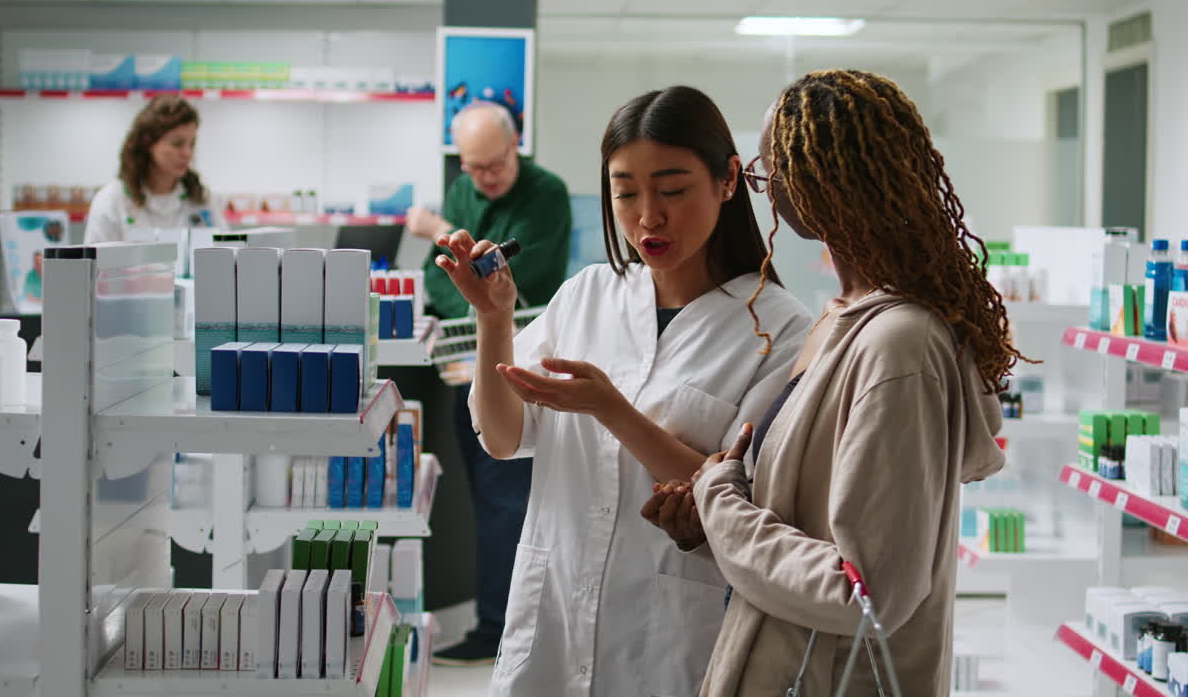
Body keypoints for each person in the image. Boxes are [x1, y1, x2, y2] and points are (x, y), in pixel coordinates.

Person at [642, 69, 1017, 696]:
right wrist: (708, 530)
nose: (760, 189)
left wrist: (721, 502)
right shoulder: (839, 320)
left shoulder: (899, 347)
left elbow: (863, 591)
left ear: (823, 179)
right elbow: (801, 525)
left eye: (770, 170)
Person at [433, 86, 811, 695]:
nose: (647, 216)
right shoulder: (588, 294)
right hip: (551, 622)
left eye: (672, 189)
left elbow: (743, 501)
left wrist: (610, 409)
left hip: (668, 640)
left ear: (728, 180)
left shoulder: (781, 330)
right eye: (625, 192)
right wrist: (493, 319)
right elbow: (502, 440)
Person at [406, 101, 573, 665]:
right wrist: (470, 282)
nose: (485, 178)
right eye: (474, 169)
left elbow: (514, 279)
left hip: (523, 364)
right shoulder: (462, 190)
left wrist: (437, 233)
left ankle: (504, 630)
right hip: (464, 364)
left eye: (495, 164)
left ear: (515, 144)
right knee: (487, 498)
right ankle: (495, 625)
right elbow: (451, 284)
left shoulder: (545, 193)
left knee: (509, 500)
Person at [83, 94, 215, 243]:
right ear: (148, 143)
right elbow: (93, 263)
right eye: (177, 144)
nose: (187, 153)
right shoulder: (112, 200)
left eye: (192, 144)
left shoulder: (201, 198)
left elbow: (224, 253)